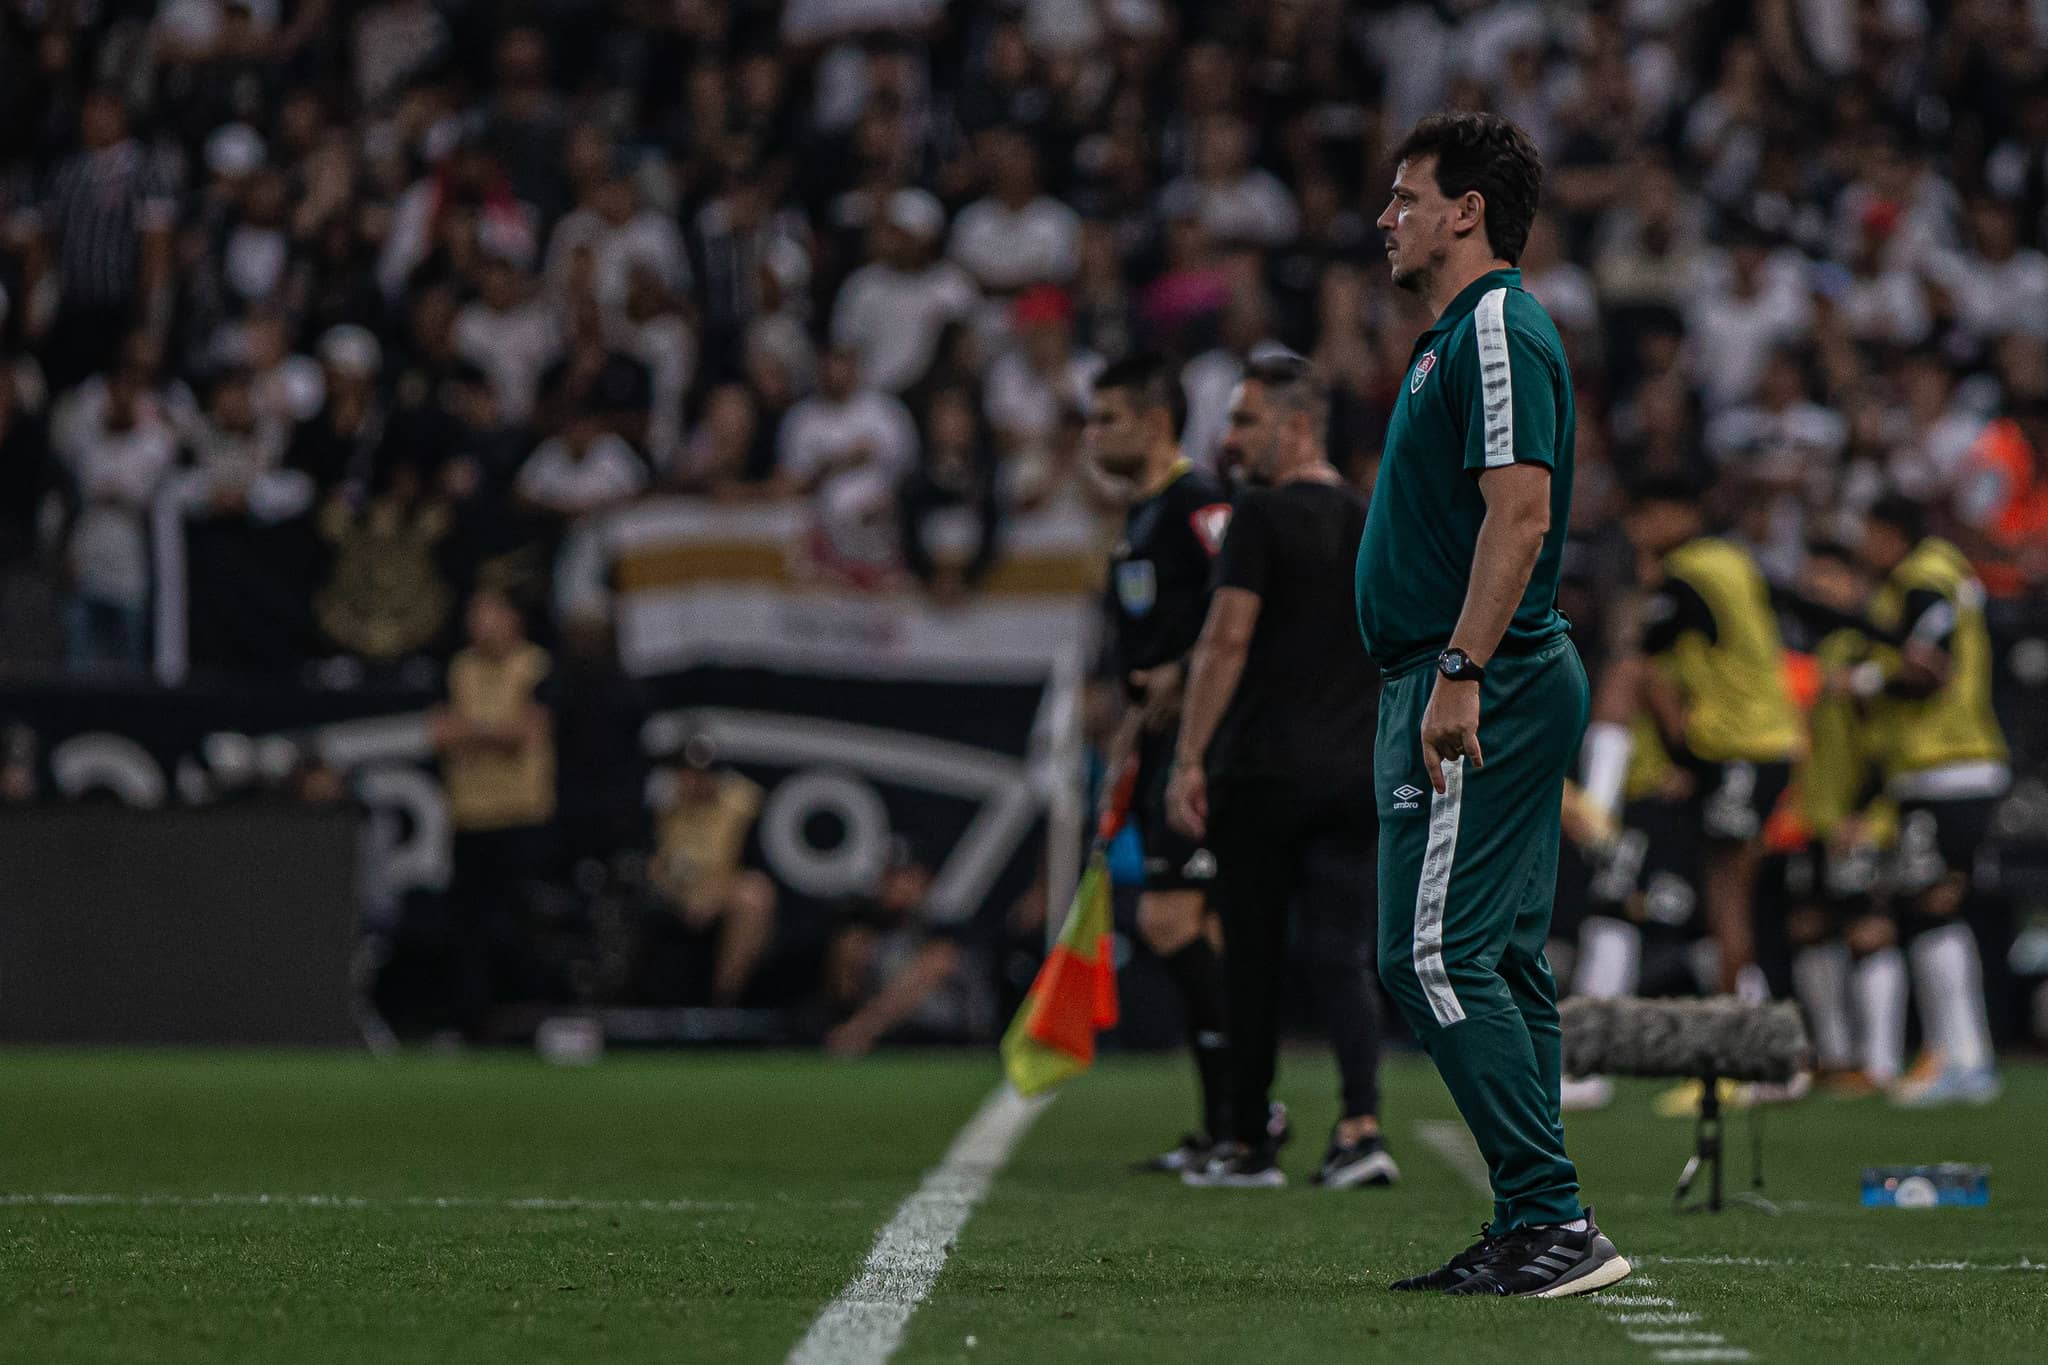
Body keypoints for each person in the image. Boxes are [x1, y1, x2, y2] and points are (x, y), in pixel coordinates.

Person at [1356, 112, 1629, 1297]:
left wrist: (1459, 671)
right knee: (1500, 958)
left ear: (1465, 210)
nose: (1386, 217)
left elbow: (1517, 515)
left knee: (1429, 952)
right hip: (1466, 667)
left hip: (1480, 672)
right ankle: (1540, 1220)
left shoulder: (1496, 326)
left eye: (1406, 195)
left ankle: (1549, 1217)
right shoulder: (1453, 336)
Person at [1166, 354, 1397, 1192]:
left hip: (1264, 769)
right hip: (1353, 768)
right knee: (1345, 956)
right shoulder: (1373, 517)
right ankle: (1362, 1127)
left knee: (1253, 957)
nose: (1229, 440)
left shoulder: (1259, 516)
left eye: (1244, 421)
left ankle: (1247, 1142)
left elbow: (1226, 638)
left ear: (1296, 426)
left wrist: (1189, 754)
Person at [1085, 352, 1240, 1175]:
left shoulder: (1198, 502)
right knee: (1190, 925)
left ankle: (1246, 1111)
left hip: (1202, 746)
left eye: (1106, 416)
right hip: (1158, 742)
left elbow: (1244, 594)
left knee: (1172, 921)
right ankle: (1231, 1120)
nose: (1092, 432)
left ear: (1153, 421)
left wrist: (1184, 672)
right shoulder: (1139, 516)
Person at [1849, 495, 2009, 1106]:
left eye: (1870, 532)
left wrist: (1864, 679)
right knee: (1936, 907)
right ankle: (1966, 1055)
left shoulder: (1922, 581)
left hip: (1944, 765)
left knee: (1930, 909)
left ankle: (1959, 1056)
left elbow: (1929, 668)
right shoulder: (1951, 573)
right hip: (1957, 766)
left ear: (1891, 534)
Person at [1618, 476, 1802, 1003]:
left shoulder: (1686, 574)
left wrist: (1681, 755)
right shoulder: (1732, 560)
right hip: (1761, 740)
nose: (1634, 532)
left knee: (1728, 898)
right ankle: (1754, 1039)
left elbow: (1643, 661)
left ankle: (1740, 1048)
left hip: (1743, 744)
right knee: (1725, 897)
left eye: (1641, 517)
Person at [430, 588, 557, 1041]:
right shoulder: (458, 668)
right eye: (473, 613)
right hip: (469, 816)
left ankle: (531, 1021)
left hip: (520, 814)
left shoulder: (536, 666)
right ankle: (471, 1025)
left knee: (524, 925)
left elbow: (523, 734)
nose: (479, 623)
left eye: (488, 613)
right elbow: (440, 733)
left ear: (513, 619)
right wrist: (491, 730)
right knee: (467, 930)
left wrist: (473, 730)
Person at [646, 732, 778, 1010]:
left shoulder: (745, 806)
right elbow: (654, 863)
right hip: (673, 897)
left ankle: (723, 1003)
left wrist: (714, 894)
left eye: (697, 774)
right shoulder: (666, 807)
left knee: (753, 896)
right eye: (684, 772)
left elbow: (757, 871)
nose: (689, 780)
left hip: (721, 897)